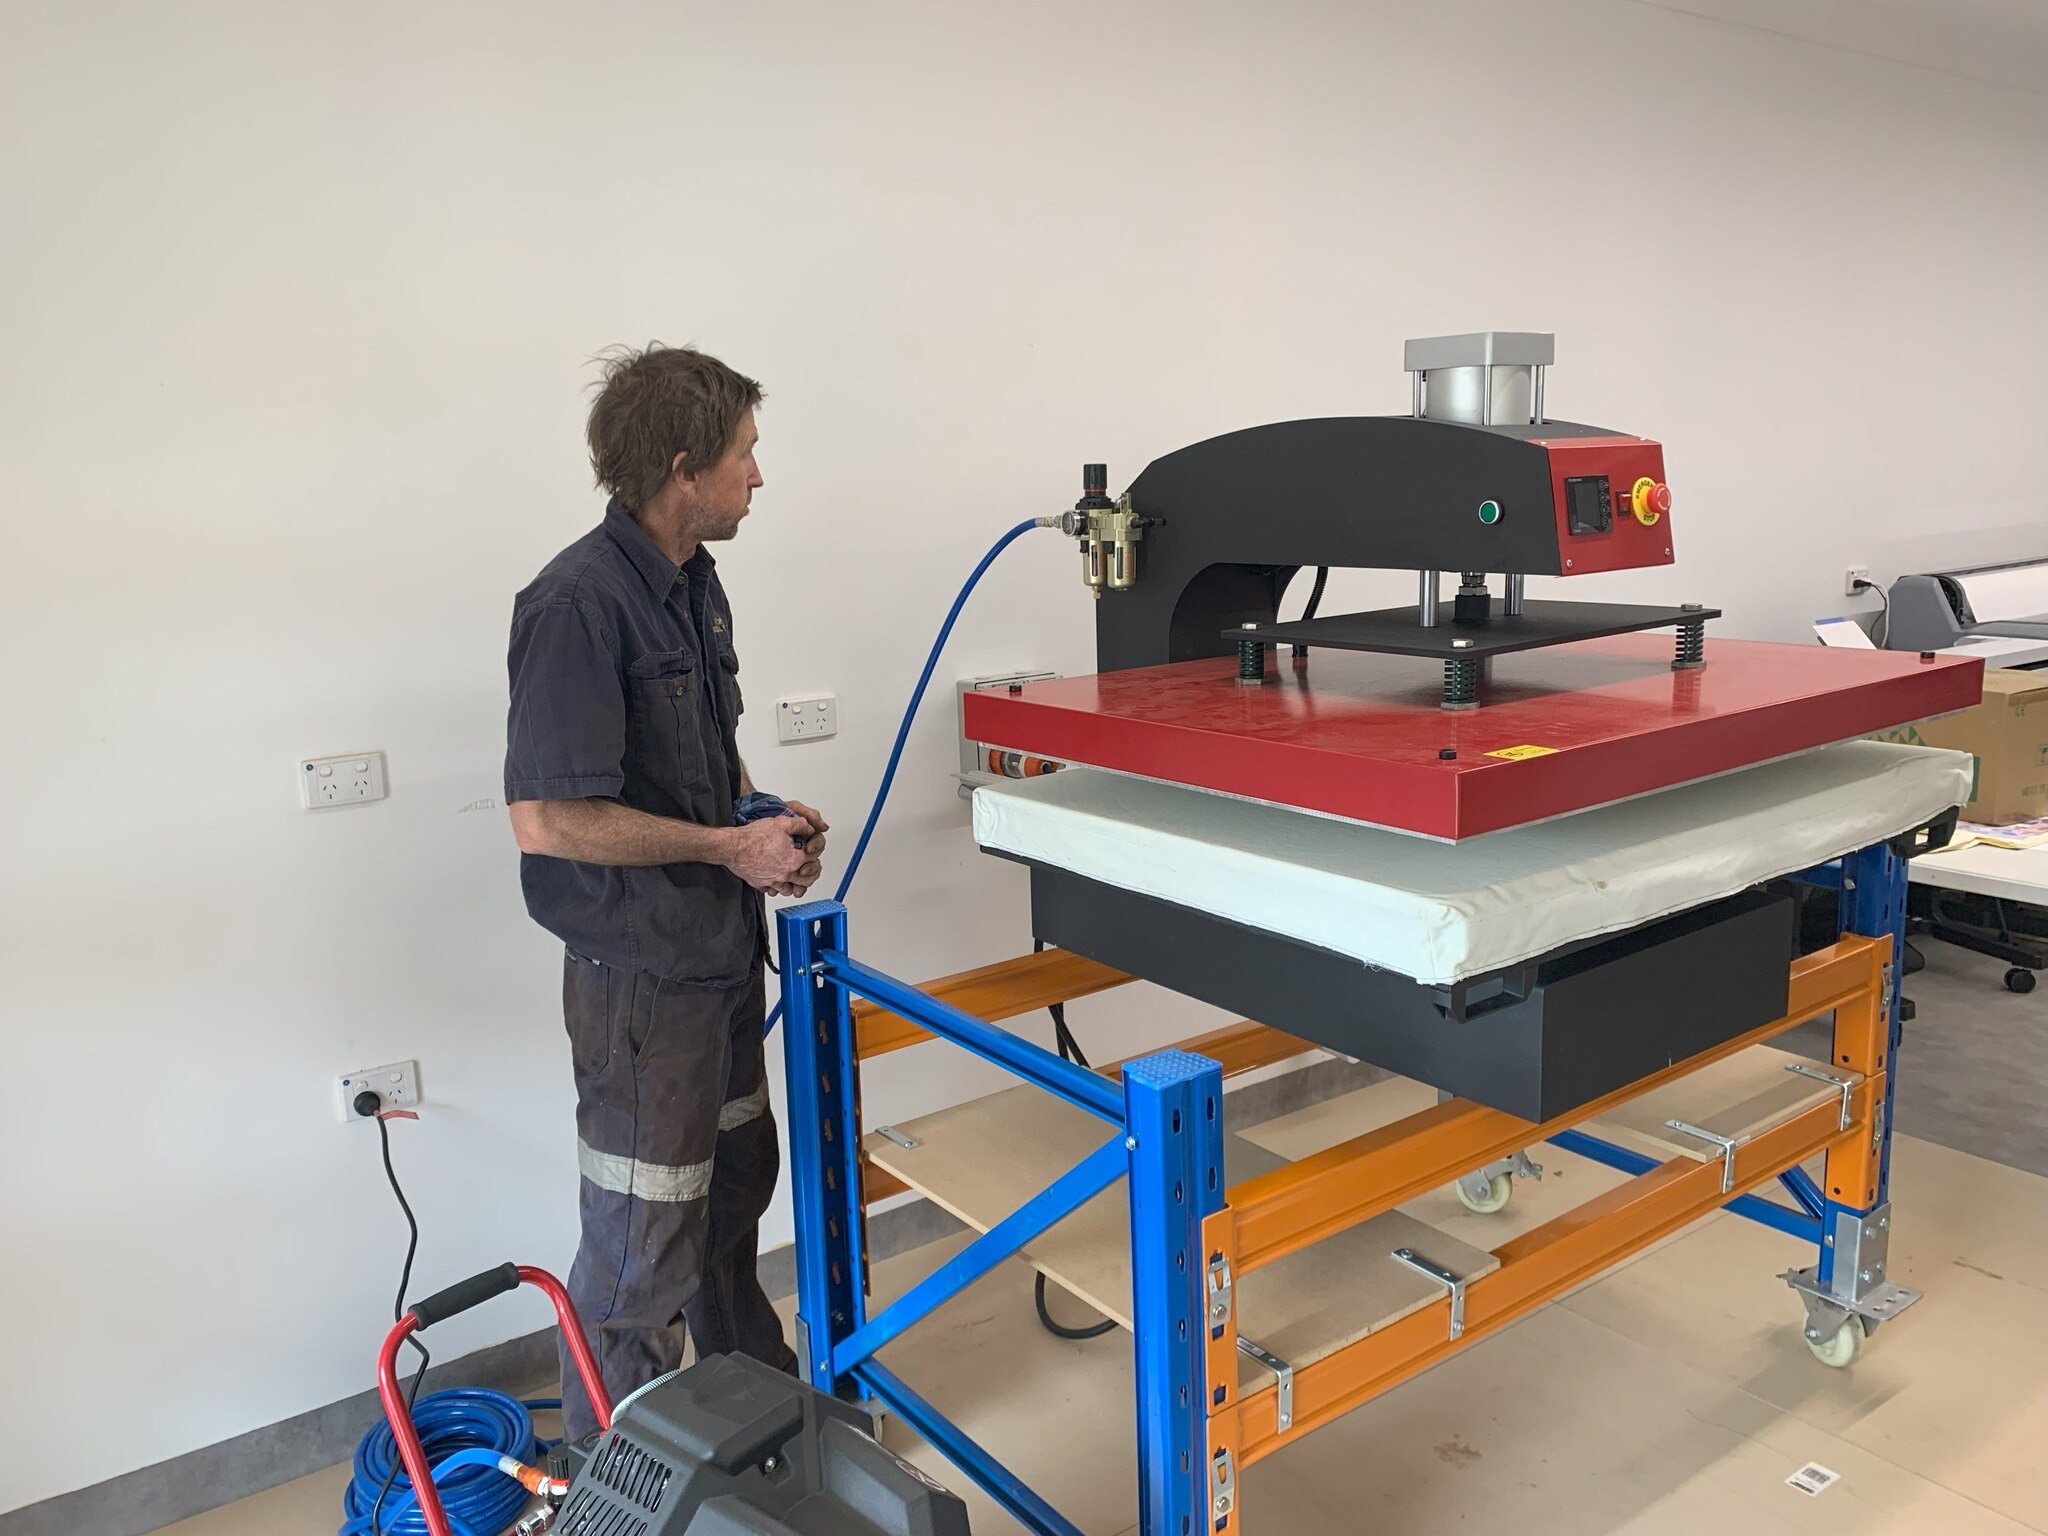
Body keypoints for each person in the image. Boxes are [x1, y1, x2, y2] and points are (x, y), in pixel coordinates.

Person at [502, 344, 825, 1441]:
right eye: (744, 455)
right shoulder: (575, 606)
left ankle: (756, 1426)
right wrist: (727, 853)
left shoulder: (692, 582)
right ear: (684, 468)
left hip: (717, 958)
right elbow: (549, 818)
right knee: (644, 1242)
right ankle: (611, 1487)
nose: (757, 477)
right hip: (644, 991)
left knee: (729, 1195)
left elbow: (704, 749)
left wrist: (759, 820)